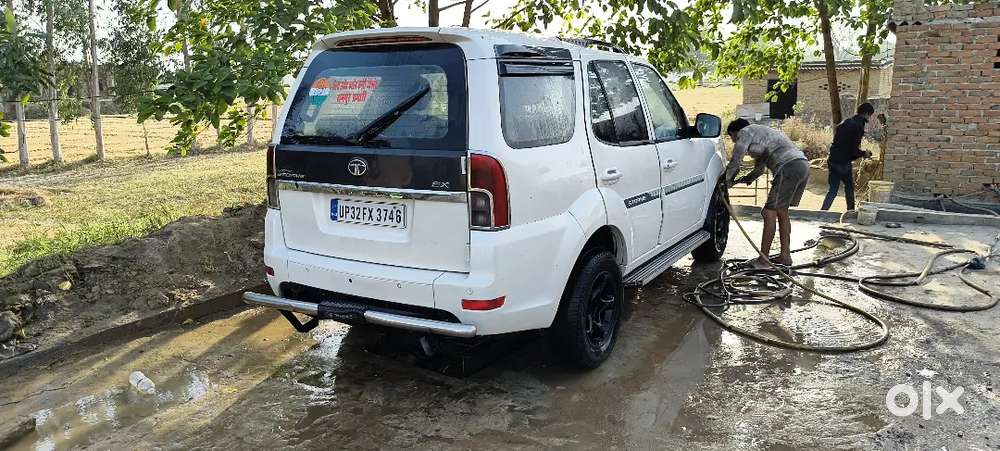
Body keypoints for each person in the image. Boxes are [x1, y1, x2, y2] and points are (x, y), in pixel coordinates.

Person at [725, 118, 810, 268]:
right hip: (802, 165)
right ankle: (785, 256)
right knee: (781, 212)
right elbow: (759, 170)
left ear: (735, 132)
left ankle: (764, 260)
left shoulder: (745, 132)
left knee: (768, 212)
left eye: (732, 137)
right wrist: (742, 180)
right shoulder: (762, 136)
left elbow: (736, 161)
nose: (733, 142)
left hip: (788, 166)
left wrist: (726, 180)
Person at [821, 102, 875, 211]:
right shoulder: (859, 126)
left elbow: (841, 143)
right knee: (849, 188)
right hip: (843, 162)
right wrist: (864, 153)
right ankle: (850, 212)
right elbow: (853, 150)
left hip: (832, 159)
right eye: (869, 115)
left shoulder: (846, 121)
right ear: (866, 114)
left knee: (833, 190)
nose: (869, 118)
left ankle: (822, 212)